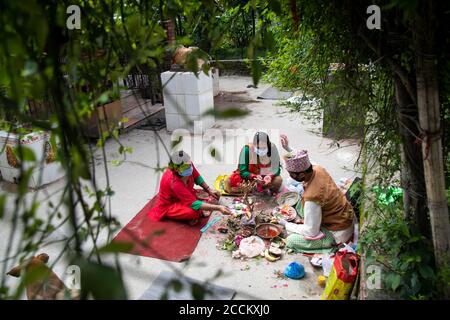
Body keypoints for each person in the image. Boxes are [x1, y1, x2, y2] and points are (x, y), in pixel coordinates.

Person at [277, 135, 355, 253]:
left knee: (292, 240)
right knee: (299, 203)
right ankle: (308, 222)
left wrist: (286, 224)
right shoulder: (317, 169)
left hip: (338, 233)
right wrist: (288, 148)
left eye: (291, 174)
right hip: (344, 217)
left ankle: (330, 244)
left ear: (301, 175)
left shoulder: (312, 197)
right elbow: (304, 161)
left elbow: (311, 232)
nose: (290, 176)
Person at [147, 150, 231, 223]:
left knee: (214, 194)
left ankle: (197, 208)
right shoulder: (175, 183)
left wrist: (208, 189)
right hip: (171, 203)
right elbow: (193, 204)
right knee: (193, 212)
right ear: (177, 170)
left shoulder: (187, 164)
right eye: (187, 167)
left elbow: (197, 176)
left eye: (190, 164)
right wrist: (219, 208)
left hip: (185, 194)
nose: (190, 167)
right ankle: (185, 214)